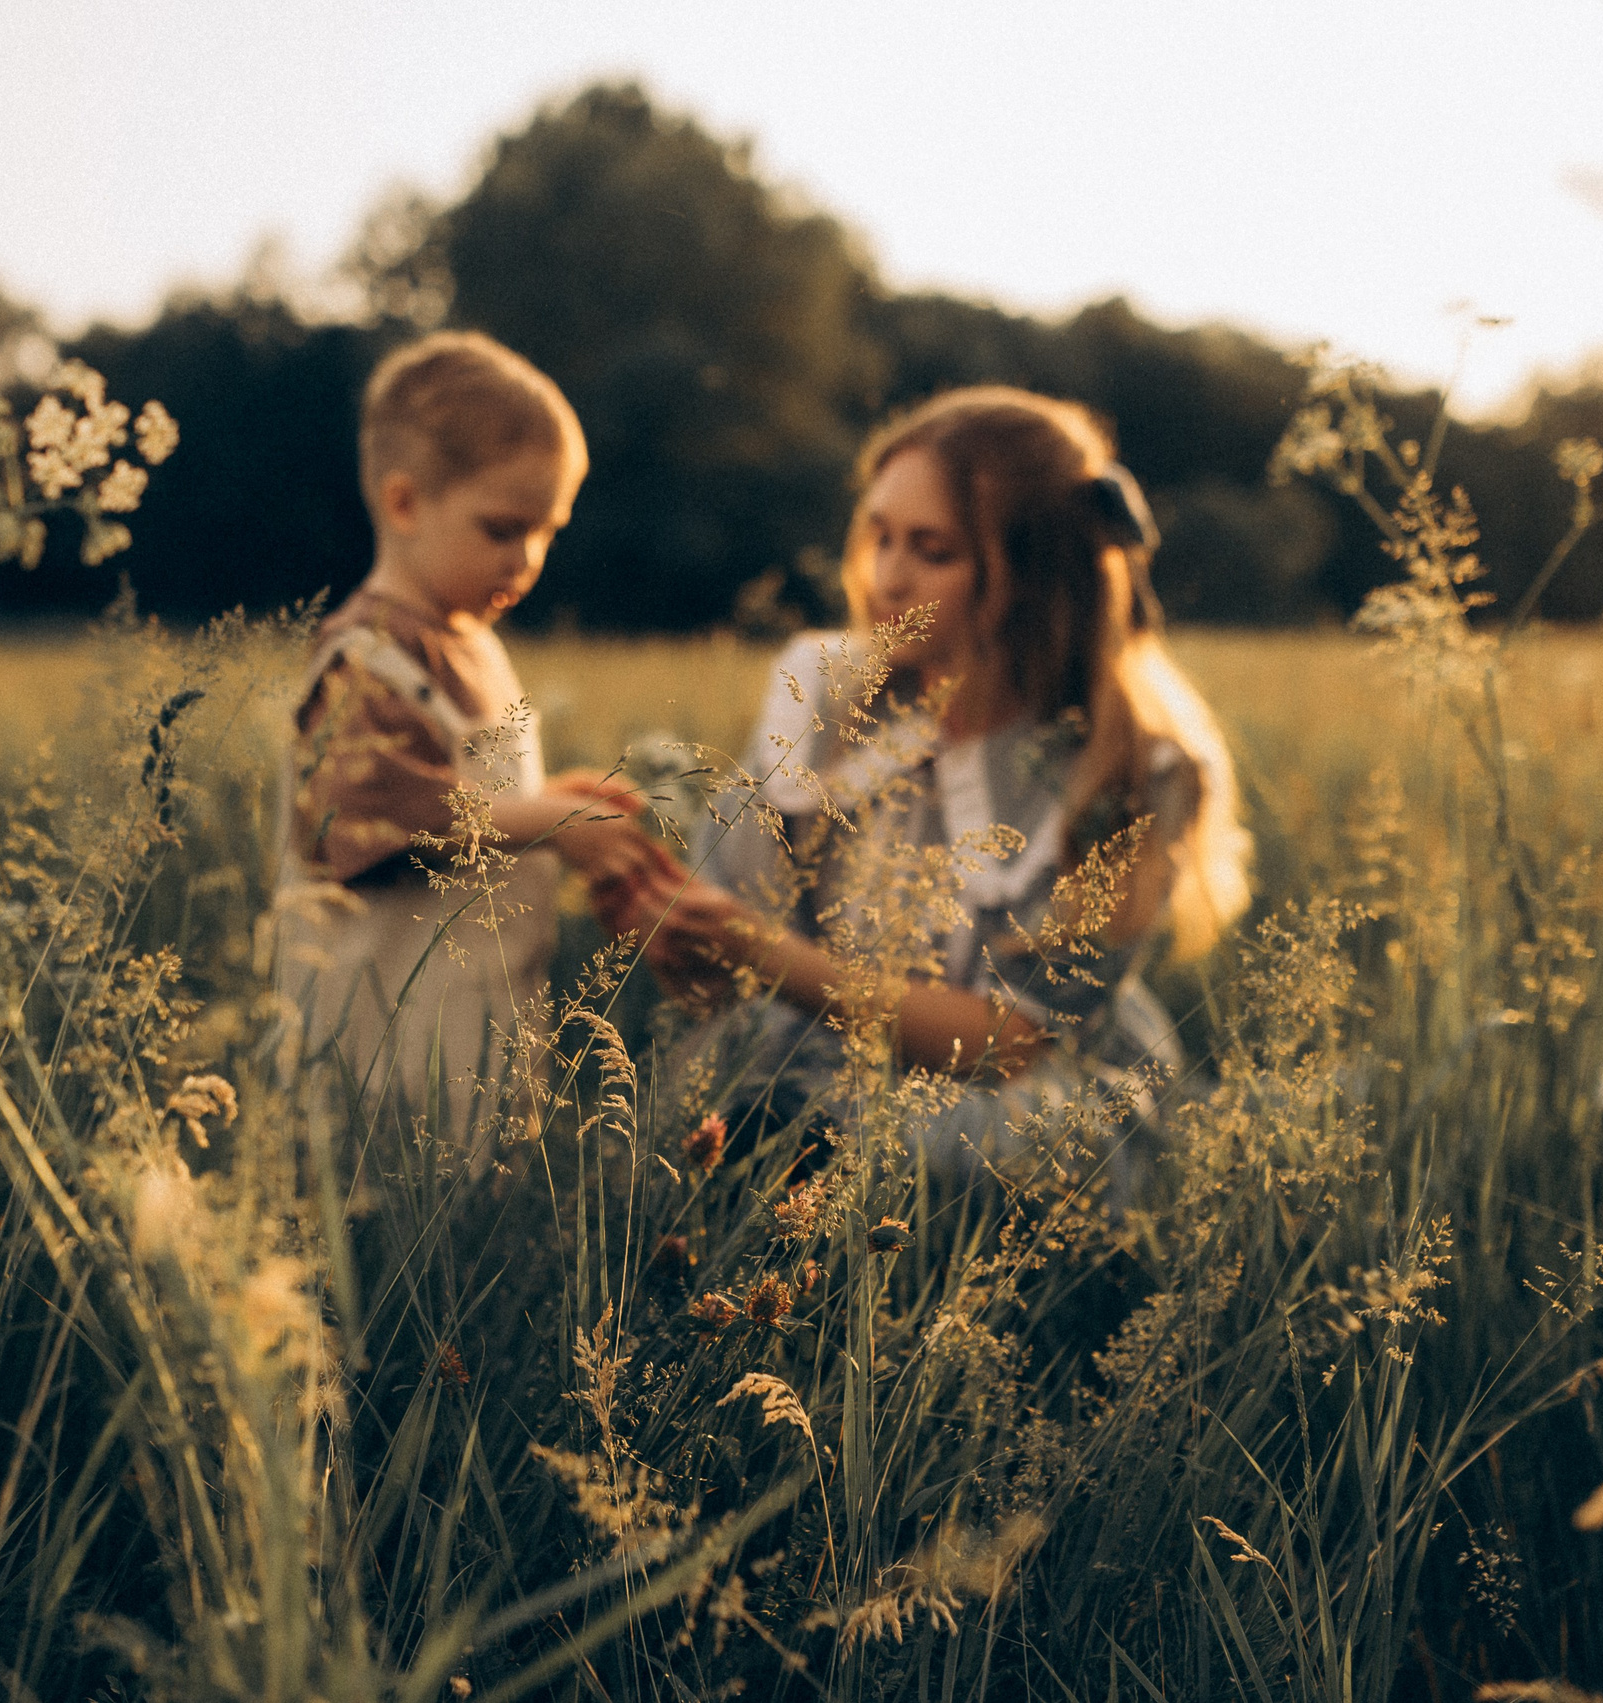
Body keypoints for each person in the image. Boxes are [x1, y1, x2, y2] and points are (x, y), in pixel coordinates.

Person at [602, 385, 1250, 1180]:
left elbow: (1010, 1046)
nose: (888, 577)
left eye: (933, 550)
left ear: (1034, 577)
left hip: (1010, 1093)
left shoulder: (1125, 769)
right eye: (879, 537)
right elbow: (729, 990)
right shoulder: (824, 696)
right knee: (712, 1118)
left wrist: (761, 951)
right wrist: (683, 936)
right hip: (812, 1054)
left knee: (976, 1151)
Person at [277, 331, 678, 1131]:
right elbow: (377, 821)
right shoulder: (366, 658)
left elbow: (473, 793)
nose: (527, 558)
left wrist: (551, 798)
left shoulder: (470, 641)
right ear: (405, 503)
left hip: (469, 1010)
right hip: (379, 1035)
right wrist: (551, 822)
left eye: (548, 531)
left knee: (475, 1175)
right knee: (391, 1211)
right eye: (502, 529)